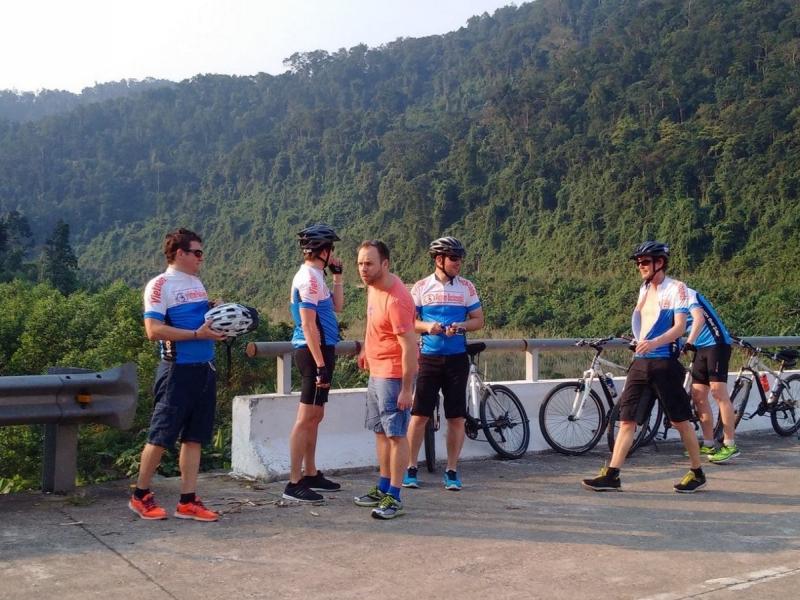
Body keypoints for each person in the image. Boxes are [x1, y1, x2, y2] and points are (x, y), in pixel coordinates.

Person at [581, 241, 708, 493]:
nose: (641, 266)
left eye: (646, 262)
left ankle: (697, 472)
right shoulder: (643, 288)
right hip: (640, 364)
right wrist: (638, 341)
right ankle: (612, 474)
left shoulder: (676, 288)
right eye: (638, 263)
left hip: (664, 364)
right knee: (626, 420)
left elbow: (680, 327)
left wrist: (654, 343)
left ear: (660, 263)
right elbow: (642, 319)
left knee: (680, 421)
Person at [130, 228, 228, 521]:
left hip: (204, 369)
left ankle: (187, 500)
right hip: (177, 370)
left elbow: (199, 319)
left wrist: (215, 311)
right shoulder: (160, 285)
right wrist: (197, 333)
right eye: (197, 252)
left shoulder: (196, 283)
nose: (201, 258)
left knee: (194, 436)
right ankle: (140, 495)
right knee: (161, 435)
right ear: (180, 253)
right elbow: (153, 330)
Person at [404, 237, 484, 490]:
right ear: (439, 260)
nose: (458, 263)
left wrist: (460, 325)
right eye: (454, 258)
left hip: (456, 359)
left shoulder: (466, 288)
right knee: (419, 416)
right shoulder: (420, 287)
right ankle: (410, 467)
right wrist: (429, 327)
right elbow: (409, 322)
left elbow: (478, 320)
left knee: (456, 418)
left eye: (460, 258)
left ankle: (451, 470)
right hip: (428, 358)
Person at [353, 240, 418, 519]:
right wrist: (367, 349)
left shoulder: (397, 298)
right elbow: (371, 322)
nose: (363, 269)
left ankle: (395, 496)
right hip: (376, 372)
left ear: (385, 264)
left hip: (393, 376)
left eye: (369, 263)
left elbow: (410, 347)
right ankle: (382, 486)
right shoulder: (373, 287)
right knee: (380, 432)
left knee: (396, 435)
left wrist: (406, 389)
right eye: (360, 263)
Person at [283, 224, 345, 503]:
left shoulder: (317, 277)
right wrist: (320, 364)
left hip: (323, 351)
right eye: (331, 249)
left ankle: (310, 473)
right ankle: (294, 482)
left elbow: (337, 307)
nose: (333, 253)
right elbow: (308, 325)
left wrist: (338, 277)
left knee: (316, 417)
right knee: (305, 417)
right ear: (324, 250)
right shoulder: (308, 278)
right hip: (312, 353)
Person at [683, 287, 739, 463]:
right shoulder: (668, 303)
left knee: (718, 392)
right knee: (698, 395)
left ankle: (730, 445)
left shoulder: (687, 294)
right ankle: (708, 443)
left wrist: (689, 341)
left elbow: (699, 319)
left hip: (717, 344)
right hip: (700, 347)